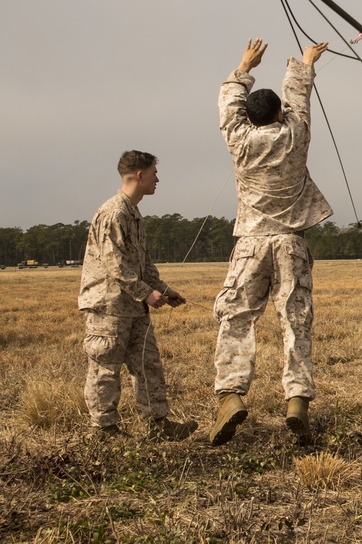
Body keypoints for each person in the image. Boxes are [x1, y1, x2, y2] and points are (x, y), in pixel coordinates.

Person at [210, 38, 333, 447]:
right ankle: (297, 400)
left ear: (249, 118)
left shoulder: (240, 141)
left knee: (237, 319)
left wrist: (243, 66)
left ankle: (231, 395)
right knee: (295, 321)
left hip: (249, 244)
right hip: (290, 245)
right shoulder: (295, 135)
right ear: (279, 114)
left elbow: (228, 106)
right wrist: (305, 63)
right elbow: (299, 99)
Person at [78, 151, 197, 440]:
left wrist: (164, 291)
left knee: (148, 364)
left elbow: (141, 265)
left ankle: (158, 424)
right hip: (109, 307)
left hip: (132, 308)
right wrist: (146, 294)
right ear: (140, 175)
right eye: (154, 172)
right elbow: (115, 263)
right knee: (106, 368)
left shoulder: (132, 213)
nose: (158, 178)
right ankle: (104, 429)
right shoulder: (113, 213)